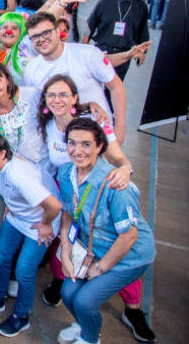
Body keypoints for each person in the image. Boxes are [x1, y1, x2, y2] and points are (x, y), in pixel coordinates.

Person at [55, 119, 156, 344]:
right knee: (68, 293)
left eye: (86, 144)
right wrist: (65, 254)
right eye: (72, 143)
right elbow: (68, 214)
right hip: (92, 249)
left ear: (100, 146)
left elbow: (129, 235)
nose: (77, 151)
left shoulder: (116, 185)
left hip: (128, 256)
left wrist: (100, 268)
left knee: (84, 302)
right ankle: (85, 328)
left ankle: (90, 339)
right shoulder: (65, 173)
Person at [0, 129, 61, 337]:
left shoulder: (20, 176)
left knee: (23, 271)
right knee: (1, 255)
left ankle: (21, 317)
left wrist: (46, 224)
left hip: (42, 220)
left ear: (3, 154)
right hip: (18, 215)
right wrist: (11, 205)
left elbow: (55, 206)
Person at [24, 12, 127, 143]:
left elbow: (116, 87)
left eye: (46, 33)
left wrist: (119, 127)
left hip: (98, 138)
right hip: (61, 143)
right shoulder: (31, 70)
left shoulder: (88, 54)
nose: (41, 39)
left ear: (57, 31)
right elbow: (39, 108)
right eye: (35, 36)